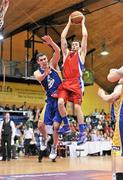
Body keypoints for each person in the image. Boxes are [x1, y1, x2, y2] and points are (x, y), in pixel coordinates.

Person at [34, 35, 69, 160]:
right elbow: (39, 78)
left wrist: (51, 42)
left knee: (55, 126)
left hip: (59, 98)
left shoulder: (52, 64)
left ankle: (54, 146)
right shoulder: (37, 72)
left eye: (44, 58)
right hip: (49, 100)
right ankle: (45, 138)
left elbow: (58, 51)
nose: (44, 61)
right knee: (40, 125)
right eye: (41, 60)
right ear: (38, 62)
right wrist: (45, 73)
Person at [58, 13, 88, 144]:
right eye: (74, 44)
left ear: (80, 47)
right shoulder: (66, 55)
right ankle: (66, 125)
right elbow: (62, 37)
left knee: (77, 108)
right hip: (66, 82)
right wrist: (69, 22)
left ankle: (82, 133)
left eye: (77, 44)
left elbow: (85, 36)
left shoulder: (81, 55)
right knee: (60, 103)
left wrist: (82, 22)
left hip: (76, 83)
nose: (75, 45)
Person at [98, 67, 123, 180]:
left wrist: (102, 94)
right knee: (115, 149)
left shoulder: (119, 86)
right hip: (117, 121)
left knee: (117, 150)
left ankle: (116, 175)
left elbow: (110, 98)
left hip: (120, 122)